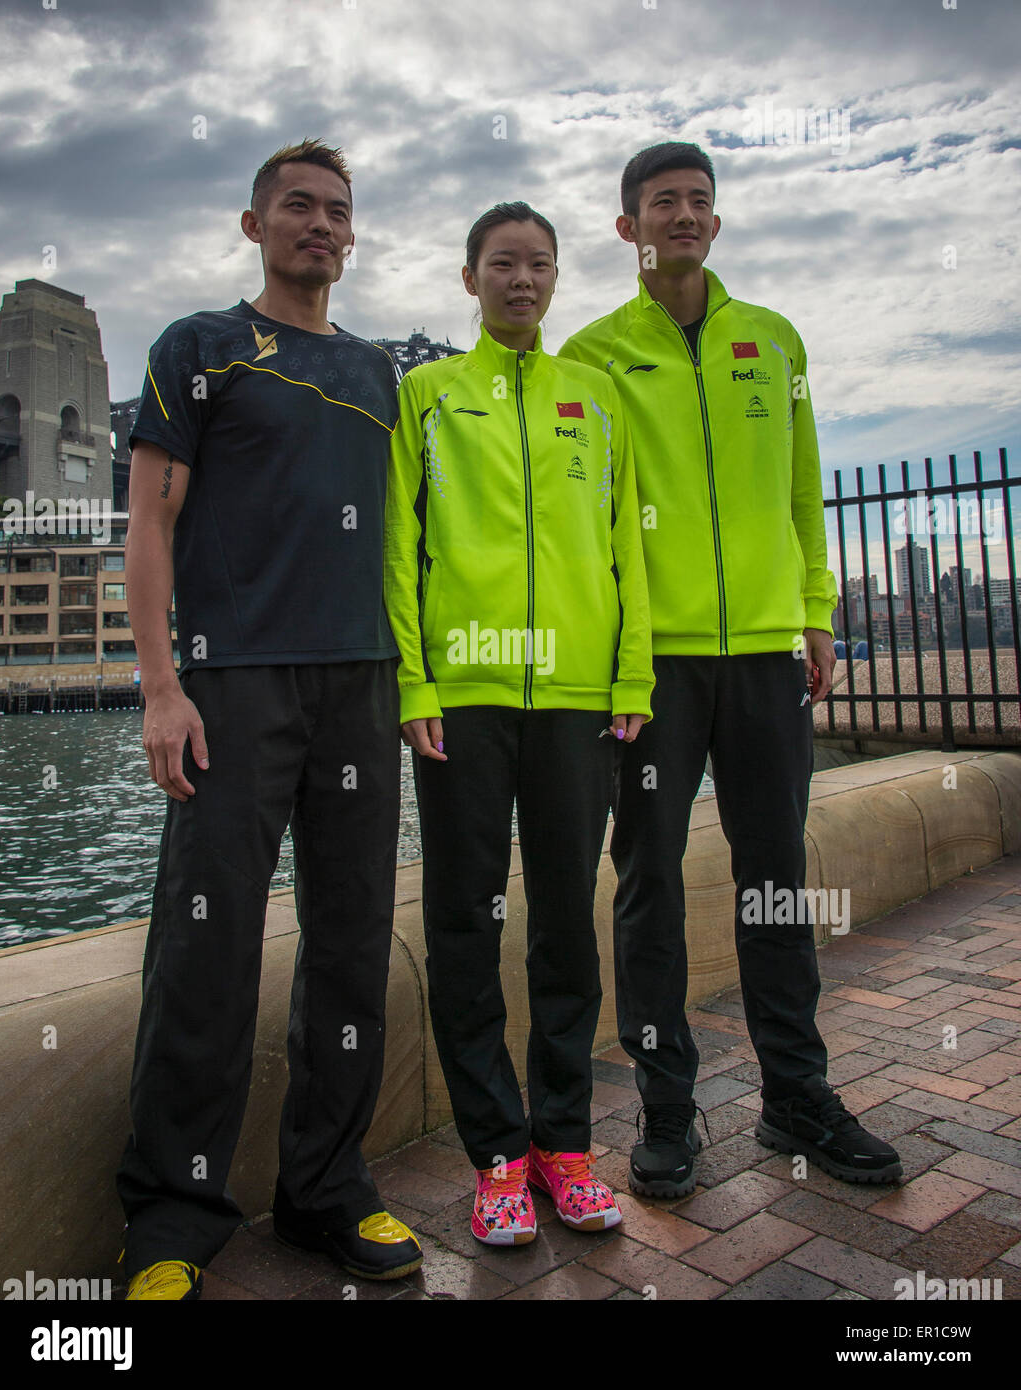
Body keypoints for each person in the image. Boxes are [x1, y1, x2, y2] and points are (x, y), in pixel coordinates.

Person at [559, 142, 902, 1195]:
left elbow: (803, 488)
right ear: (627, 227)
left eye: (698, 202)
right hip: (651, 668)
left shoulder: (771, 339)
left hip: (761, 653)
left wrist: (814, 613)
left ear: (716, 220)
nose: (683, 216)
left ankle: (793, 1095)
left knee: (774, 880)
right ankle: (667, 1112)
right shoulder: (591, 356)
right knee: (647, 884)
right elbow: (585, 521)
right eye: (662, 202)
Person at [117, 139, 421, 1299]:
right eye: (297, 205)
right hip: (232, 683)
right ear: (254, 226)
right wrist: (160, 685)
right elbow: (150, 523)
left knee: (349, 947)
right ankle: (174, 1213)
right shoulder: (197, 348)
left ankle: (327, 1189)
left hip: (359, 684)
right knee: (205, 949)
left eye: (338, 210)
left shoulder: (380, 373)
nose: (321, 224)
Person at [384, 202, 654, 1245]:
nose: (521, 279)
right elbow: (397, 556)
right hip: (465, 694)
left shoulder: (593, 398)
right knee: (463, 922)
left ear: (554, 279)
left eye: (539, 264)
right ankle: (496, 1157)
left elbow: (628, 550)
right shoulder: (426, 396)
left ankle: (566, 1145)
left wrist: (630, 673)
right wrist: (414, 684)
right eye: (502, 263)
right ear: (469, 280)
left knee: (563, 928)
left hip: (579, 697)